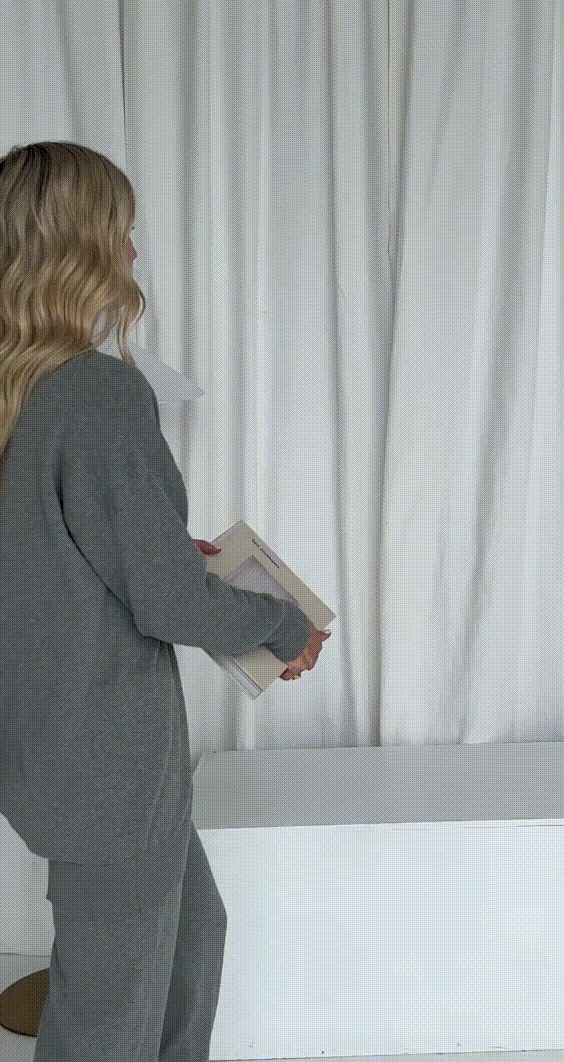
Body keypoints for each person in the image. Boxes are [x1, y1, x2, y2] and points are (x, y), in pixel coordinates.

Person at [0, 141, 329, 1061]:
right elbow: (170, 605)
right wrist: (282, 622)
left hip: (44, 747)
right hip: (107, 765)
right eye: (122, 229)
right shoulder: (94, 392)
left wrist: (149, 544)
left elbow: (47, 555)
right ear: (83, 245)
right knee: (107, 1018)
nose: (134, 251)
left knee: (190, 939)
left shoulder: (19, 394)